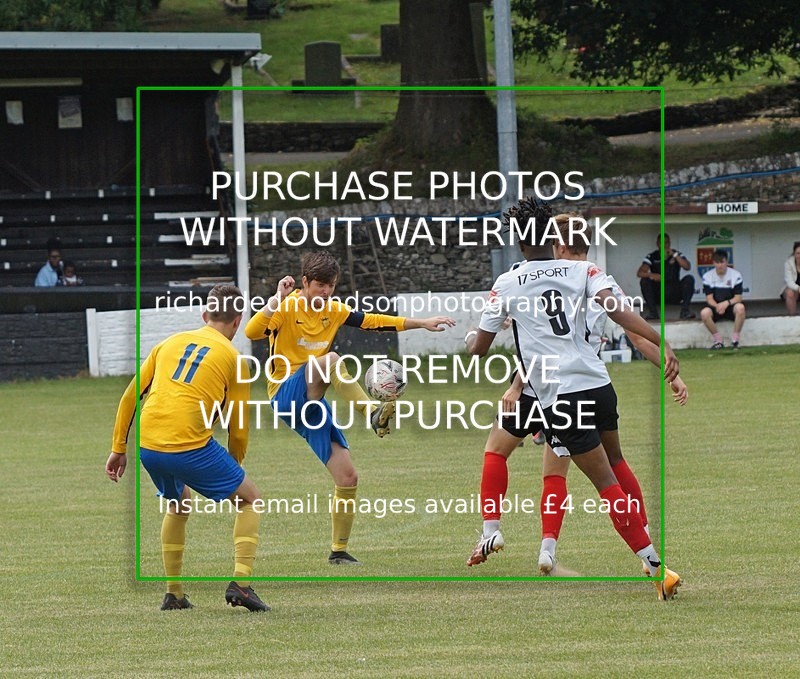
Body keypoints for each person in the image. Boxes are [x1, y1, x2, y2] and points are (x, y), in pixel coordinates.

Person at [466, 199, 682, 601]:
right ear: (552, 235)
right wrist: (661, 338)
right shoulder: (585, 269)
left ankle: (656, 566)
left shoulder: (509, 282)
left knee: (604, 482)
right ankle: (640, 546)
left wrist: (473, 337)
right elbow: (619, 313)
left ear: (517, 240)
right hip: (598, 384)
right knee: (615, 465)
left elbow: (478, 348)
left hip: (559, 393)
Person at [244, 251, 455, 565]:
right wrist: (276, 297)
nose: (325, 292)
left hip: (313, 400)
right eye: (319, 285)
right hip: (285, 394)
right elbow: (251, 332)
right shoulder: (287, 307)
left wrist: (421, 323)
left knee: (348, 477)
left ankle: (338, 551)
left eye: (330, 285)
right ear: (304, 283)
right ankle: (371, 412)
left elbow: (374, 322)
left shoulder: (335, 310)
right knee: (331, 360)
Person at [105, 284, 269, 612]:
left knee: (178, 505)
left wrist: (118, 448)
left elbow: (129, 397)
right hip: (189, 445)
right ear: (238, 322)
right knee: (251, 501)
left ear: (205, 315)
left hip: (149, 445)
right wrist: (234, 466)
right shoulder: (235, 359)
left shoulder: (168, 343)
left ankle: (174, 594)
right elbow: (238, 427)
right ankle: (242, 584)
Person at [637, 233, 696, 320]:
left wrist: (674, 255)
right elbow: (640, 273)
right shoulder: (652, 256)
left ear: (670, 243)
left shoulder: (676, 254)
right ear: (657, 244)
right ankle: (653, 313)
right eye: (662, 243)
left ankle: (685, 312)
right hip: (659, 293)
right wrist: (652, 275)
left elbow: (687, 267)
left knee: (689, 279)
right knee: (644, 281)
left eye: (667, 242)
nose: (664, 245)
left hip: (674, 292)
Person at [700, 249, 746, 349]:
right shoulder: (707, 276)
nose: (720, 265)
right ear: (713, 263)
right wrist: (717, 306)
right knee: (704, 313)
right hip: (715, 308)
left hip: (730, 307)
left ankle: (735, 340)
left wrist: (726, 303)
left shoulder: (736, 275)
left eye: (722, 262)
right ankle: (718, 341)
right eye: (717, 262)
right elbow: (709, 298)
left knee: (740, 308)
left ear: (727, 262)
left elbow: (738, 297)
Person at [780, 241, 800, 315]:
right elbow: (789, 282)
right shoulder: (788, 263)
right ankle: (792, 318)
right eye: (798, 253)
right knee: (790, 293)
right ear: (794, 254)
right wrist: (798, 288)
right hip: (793, 290)